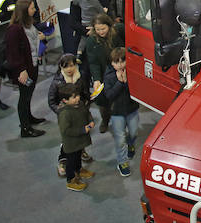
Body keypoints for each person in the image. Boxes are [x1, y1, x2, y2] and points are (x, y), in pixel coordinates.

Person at [5, 0, 46, 138]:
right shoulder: (14, 30)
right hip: (24, 70)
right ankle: (25, 128)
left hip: (33, 66)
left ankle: (29, 118)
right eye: (32, 8)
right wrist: (21, 70)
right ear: (24, 10)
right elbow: (13, 53)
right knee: (24, 97)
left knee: (28, 95)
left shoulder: (29, 24)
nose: (34, 10)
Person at [48, 53, 93, 178]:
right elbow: (51, 101)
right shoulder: (57, 81)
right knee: (68, 141)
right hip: (67, 117)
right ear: (61, 68)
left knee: (80, 136)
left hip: (80, 113)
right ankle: (63, 161)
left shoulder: (81, 77)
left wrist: (88, 101)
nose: (69, 69)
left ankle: (80, 159)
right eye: (66, 66)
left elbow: (85, 94)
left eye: (72, 65)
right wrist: (61, 112)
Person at [84, 13, 123, 134]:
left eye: (103, 28)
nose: (101, 32)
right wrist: (96, 79)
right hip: (102, 73)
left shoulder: (117, 34)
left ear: (109, 26)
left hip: (118, 69)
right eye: (98, 29)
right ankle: (105, 121)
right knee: (103, 101)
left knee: (119, 98)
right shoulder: (91, 41)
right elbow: (93, 62)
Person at [104, 47, 140, 177]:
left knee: (134, 132)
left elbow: (138, 89)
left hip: (132, 109)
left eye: (122, 61)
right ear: (112, 63)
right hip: (117, 112)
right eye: (116, 62)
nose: (120, 64)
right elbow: (109, 95)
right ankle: (122, 162)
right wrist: (120, 83)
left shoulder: (132, 72)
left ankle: (131, 144)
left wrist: (127, 81)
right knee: (120, 139)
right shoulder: (109, 77)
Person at [56, 83, 96, 192]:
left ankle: (79, 170)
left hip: (80, 141)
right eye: (74, 97)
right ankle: (71, 180)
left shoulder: (80, 104)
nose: (77, 98)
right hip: (71, 143)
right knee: (71, 162)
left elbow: (87, 113)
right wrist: (82, 130)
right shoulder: (64, 113)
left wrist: (91, 120)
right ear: (65, 100)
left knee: (78, 156)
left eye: (77, 95)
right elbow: (66, 130)